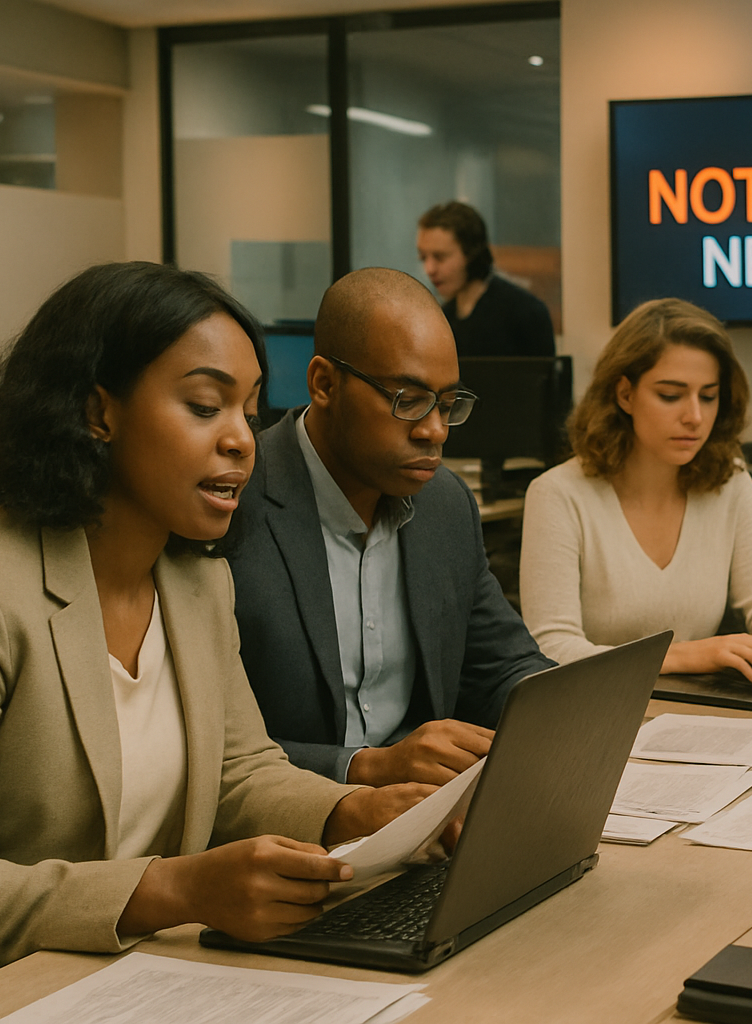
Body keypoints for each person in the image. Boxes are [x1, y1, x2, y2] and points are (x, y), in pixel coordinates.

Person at [0, 262, 426, 984]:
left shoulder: (198, 581)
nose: (242, 440)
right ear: (99, 413)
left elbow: (241, 776)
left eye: (249, 411)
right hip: (5, 993)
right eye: (205, 406)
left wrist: (362, 813)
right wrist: (176, 890)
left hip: (156, 979)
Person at [227, 267, 554, 789]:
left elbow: (501, 667)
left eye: (448, 404)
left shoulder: (445, 505)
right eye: (409, 400)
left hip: (426, 813)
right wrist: (368, 767)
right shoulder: (232, 502)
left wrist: (573, 708)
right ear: (324, 384)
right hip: (292, 821)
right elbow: (209, 744)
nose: (435, 431)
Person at [519, 297, 752, 685]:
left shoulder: (730, 481)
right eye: (671, 395)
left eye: (709, 396)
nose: (695, 417)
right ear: (625, 394)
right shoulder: (557, 495)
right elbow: (551, 650)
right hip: (600, 710)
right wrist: (681, 655)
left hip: (701, 710)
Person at [416, 200, 555, 358]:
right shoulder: (442, 320)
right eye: (423, 258)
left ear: (471, 254)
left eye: (440, 257)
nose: (429, 269)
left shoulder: (525, 312)